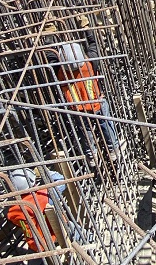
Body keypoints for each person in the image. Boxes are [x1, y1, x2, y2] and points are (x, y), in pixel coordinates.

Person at [4, 167, 85, 265]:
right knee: (74, 229)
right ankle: (88, 239)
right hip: (56, 231)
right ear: (33, 183)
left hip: (35, 242)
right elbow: (60, 180)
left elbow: (15, 220)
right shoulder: (43, 195)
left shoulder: (13, 209)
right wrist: (43, 170)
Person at [47, 24, 122, 162]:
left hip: (78, 109)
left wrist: (49, 36)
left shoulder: (59, 71)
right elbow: (94, 44)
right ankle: (114, 148)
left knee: (85, 131)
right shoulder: (90, 63)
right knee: (106, 123)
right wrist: (86, 28)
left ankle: (91, 154)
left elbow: (50, 55)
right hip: (97, 103)